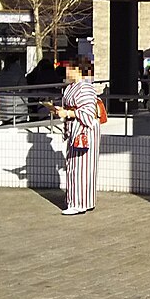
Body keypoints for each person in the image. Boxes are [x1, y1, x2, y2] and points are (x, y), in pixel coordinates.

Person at [54, 57, 100, 216]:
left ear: (77, 70)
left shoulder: (85, 88)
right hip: (75, 127)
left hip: (83, 129)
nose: (66, 71)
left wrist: (67, 112)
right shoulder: (72, 87)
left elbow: (88, 112)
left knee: (81, 166)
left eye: (69, 68)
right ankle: (80, 200)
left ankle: (79, 203)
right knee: (76, 166)